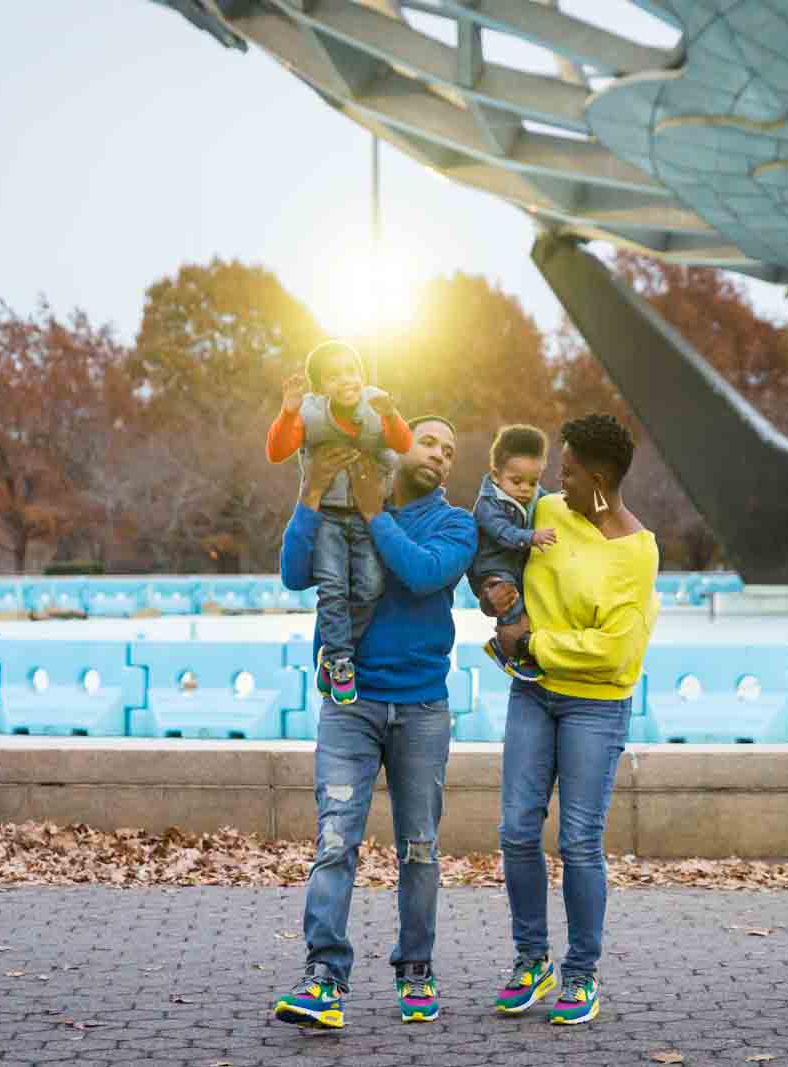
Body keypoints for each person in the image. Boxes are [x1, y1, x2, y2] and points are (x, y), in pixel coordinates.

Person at [271, 415, 477, 1029]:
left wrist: (375, 516)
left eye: (451, 449)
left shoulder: (455, 524)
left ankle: (416, 970)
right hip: (349, 704)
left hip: (420, 709)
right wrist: (311, 496)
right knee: (335, 842)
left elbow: (421, 574)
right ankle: (324, 979)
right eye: (431, 441)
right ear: (398, 442)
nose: (441, 454)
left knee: (419, 849)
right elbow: (292, 573)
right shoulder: (346, 502)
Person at [479, 413, 659, 1025]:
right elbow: (498, 547)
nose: (558, 482)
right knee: (515, 830)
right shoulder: (549, 512)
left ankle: (581, 975)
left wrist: (535, 645)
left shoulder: (636, 550)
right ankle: (532, 960)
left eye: (571, 472)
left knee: (580, 842)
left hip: (595, 704)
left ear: (601, 479)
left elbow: (616, 649)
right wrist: (493, 593)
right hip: (533, 694)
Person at [266, 340, 412, 705]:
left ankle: (332, 654)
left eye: (351, 371)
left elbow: (403, 443)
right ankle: (340, 661)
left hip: (365, 517)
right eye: (333, 376)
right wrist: (287, 412)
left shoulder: (375, 404)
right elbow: (276, 452)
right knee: (332, 586)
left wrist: (391, 415)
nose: (346, 380)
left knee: (370, 585)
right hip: (328, 516)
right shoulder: (311, 414)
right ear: (320, 388)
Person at [468, 424, 557, 681]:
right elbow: (503, 533)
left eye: (533, 482)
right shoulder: (487, 503)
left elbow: (548, 499)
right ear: (496, 475)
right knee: (510, 605)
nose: (525, 489)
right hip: (492, 567)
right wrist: (531, 537)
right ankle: (505, 648)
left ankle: (521, 645)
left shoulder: (533, 494)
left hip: (516, 564)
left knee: (531, 607)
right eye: (516, 481)